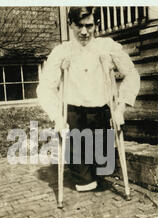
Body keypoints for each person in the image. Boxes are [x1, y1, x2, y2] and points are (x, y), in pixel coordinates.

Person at [37, 6, 140, 192]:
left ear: (96, 25)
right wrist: (57, 118)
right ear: (70, 24)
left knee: (103, 170)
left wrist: (120, 108)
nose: (84, 32)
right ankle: (81, 170)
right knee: (84, 184)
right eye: (79, 26)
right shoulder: (61, 52)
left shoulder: (107, 47)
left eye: (89, 26)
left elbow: (132, 74)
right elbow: (44, 87)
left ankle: (95, 165)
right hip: (74, 114)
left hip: (100, 112)